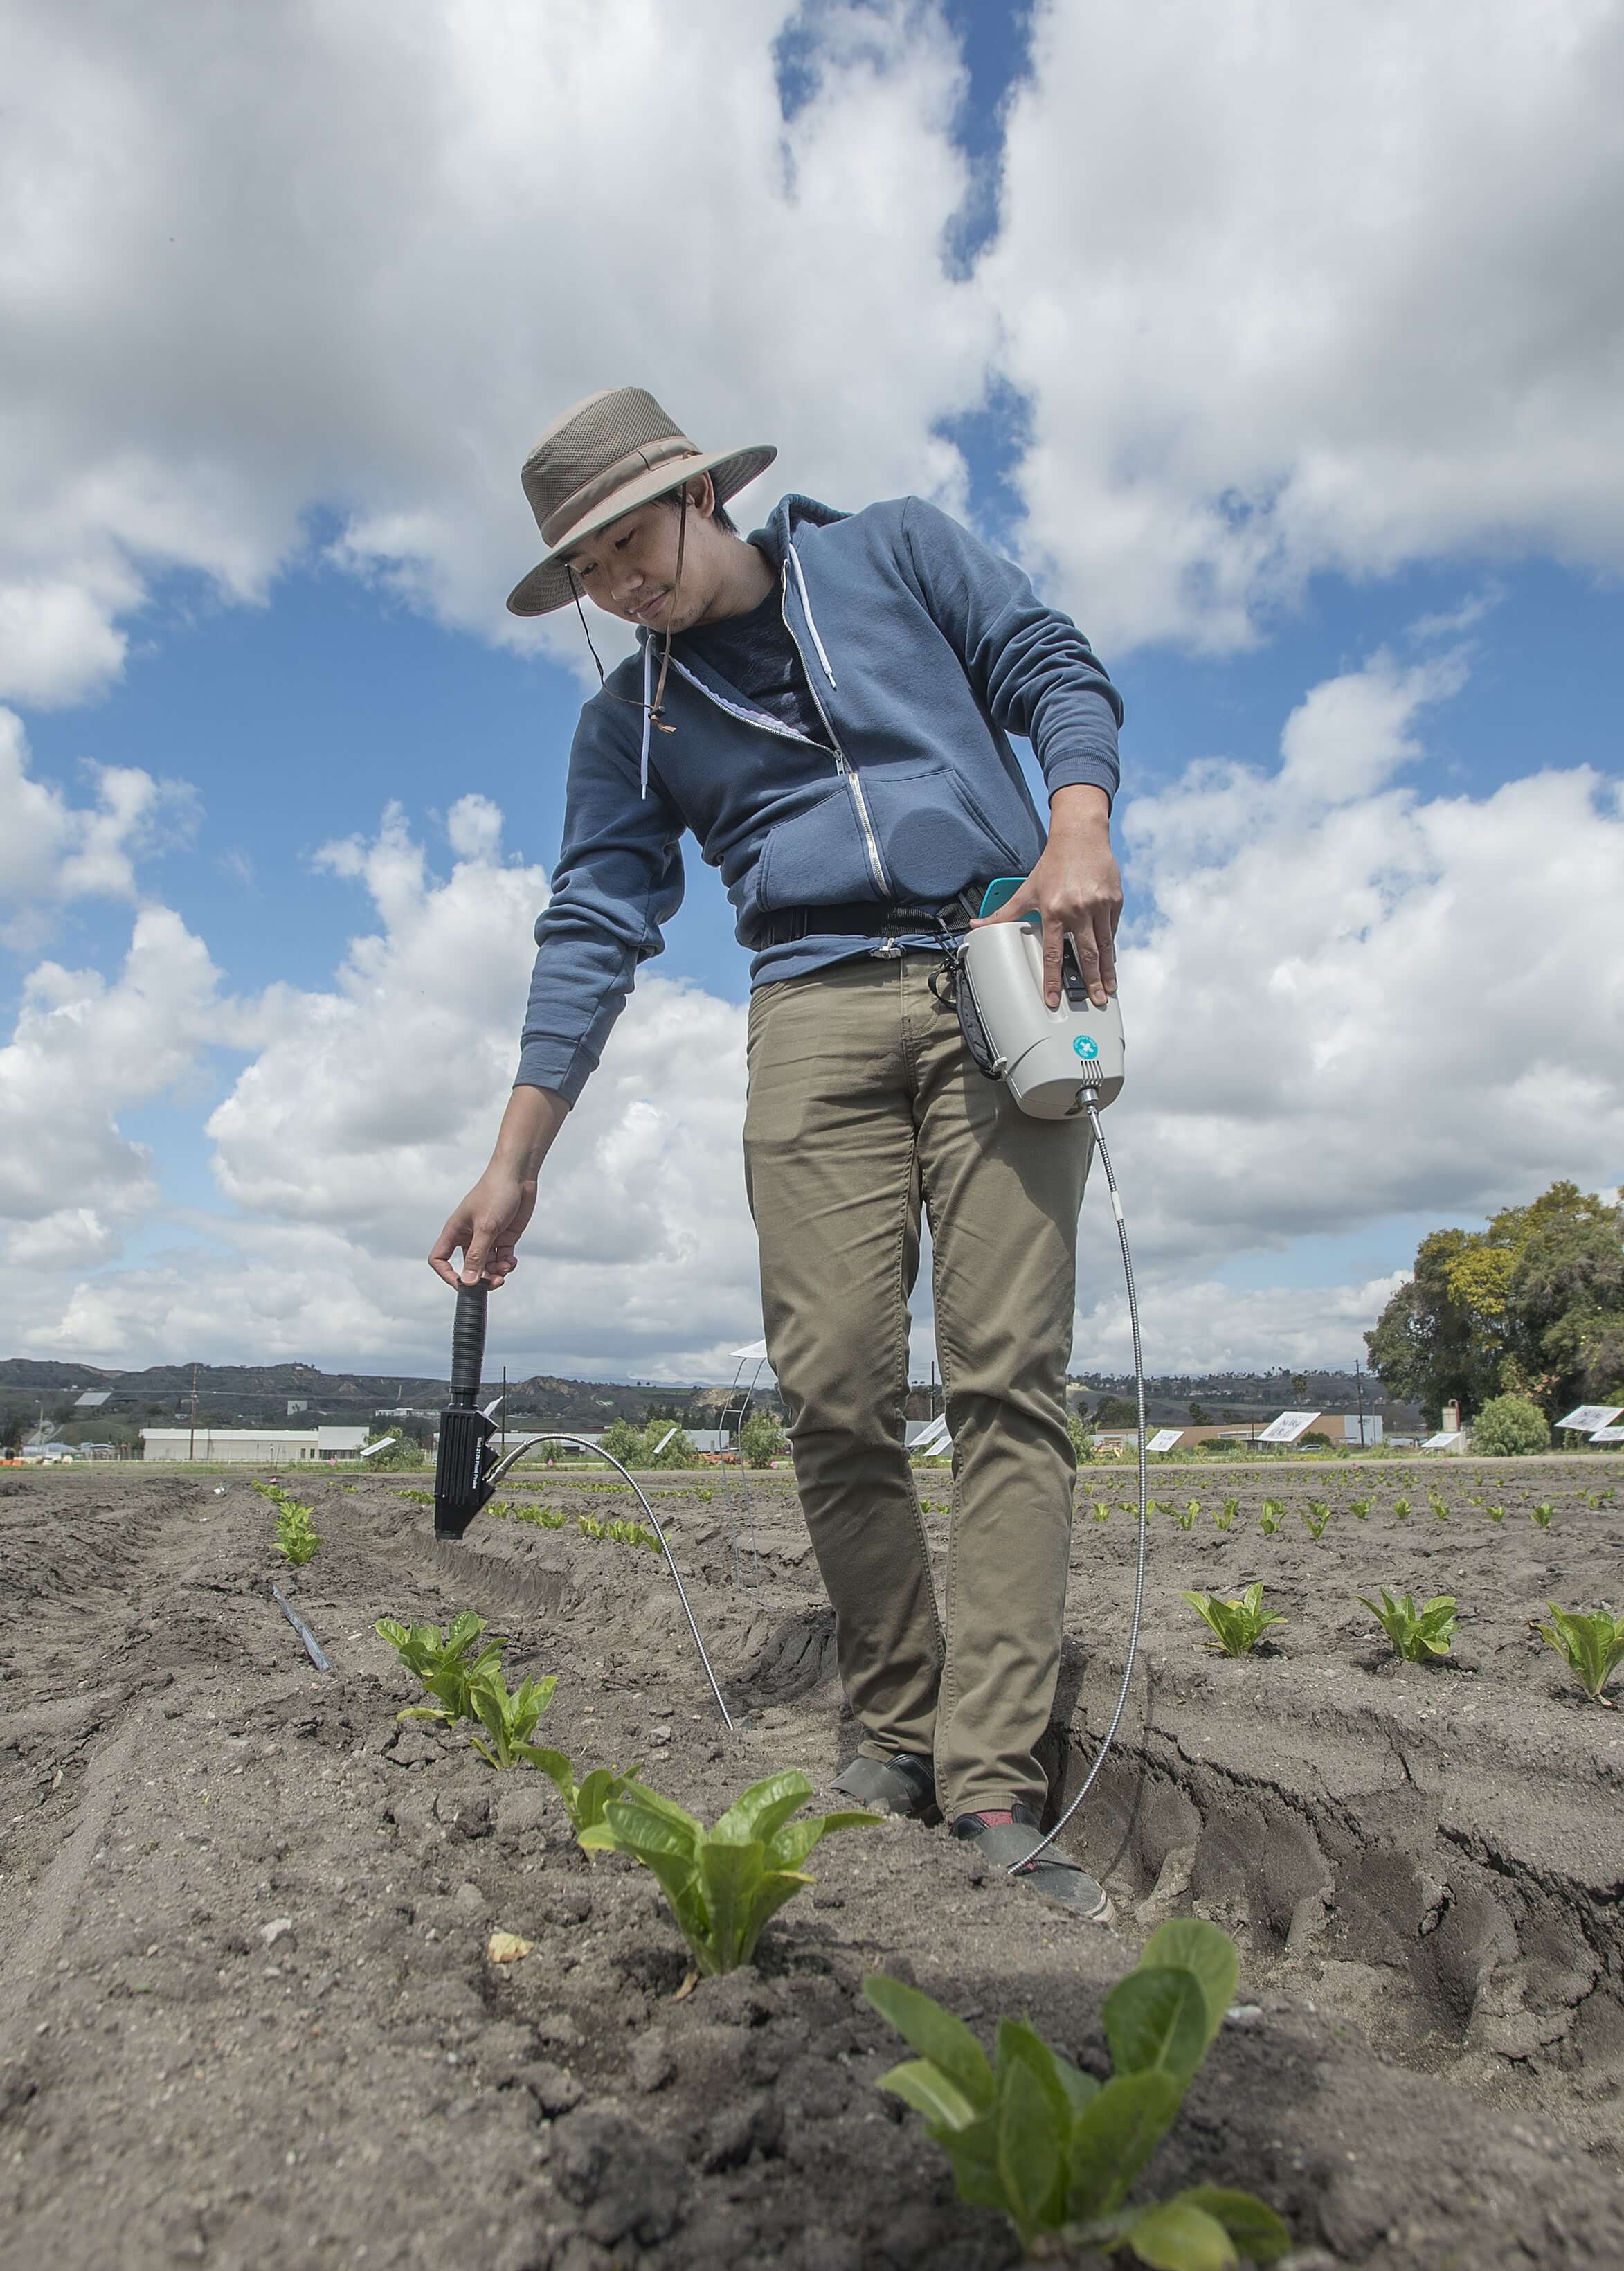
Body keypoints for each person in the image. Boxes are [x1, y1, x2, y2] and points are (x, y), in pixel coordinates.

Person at [429, 386, 1128, 1921]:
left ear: (700, 496)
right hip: (806, 1008)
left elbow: (1047, 663)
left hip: (1000, 958)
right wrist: (516, 1155)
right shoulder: (631, 723)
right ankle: (890, 1716)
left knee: (1010, 1372)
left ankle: (993, 1774)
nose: (622, 587)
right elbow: (594, 919)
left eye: (632, 543)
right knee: (831, 1386)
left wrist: (1074, 826)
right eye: (589, 574)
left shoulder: (889, 554)